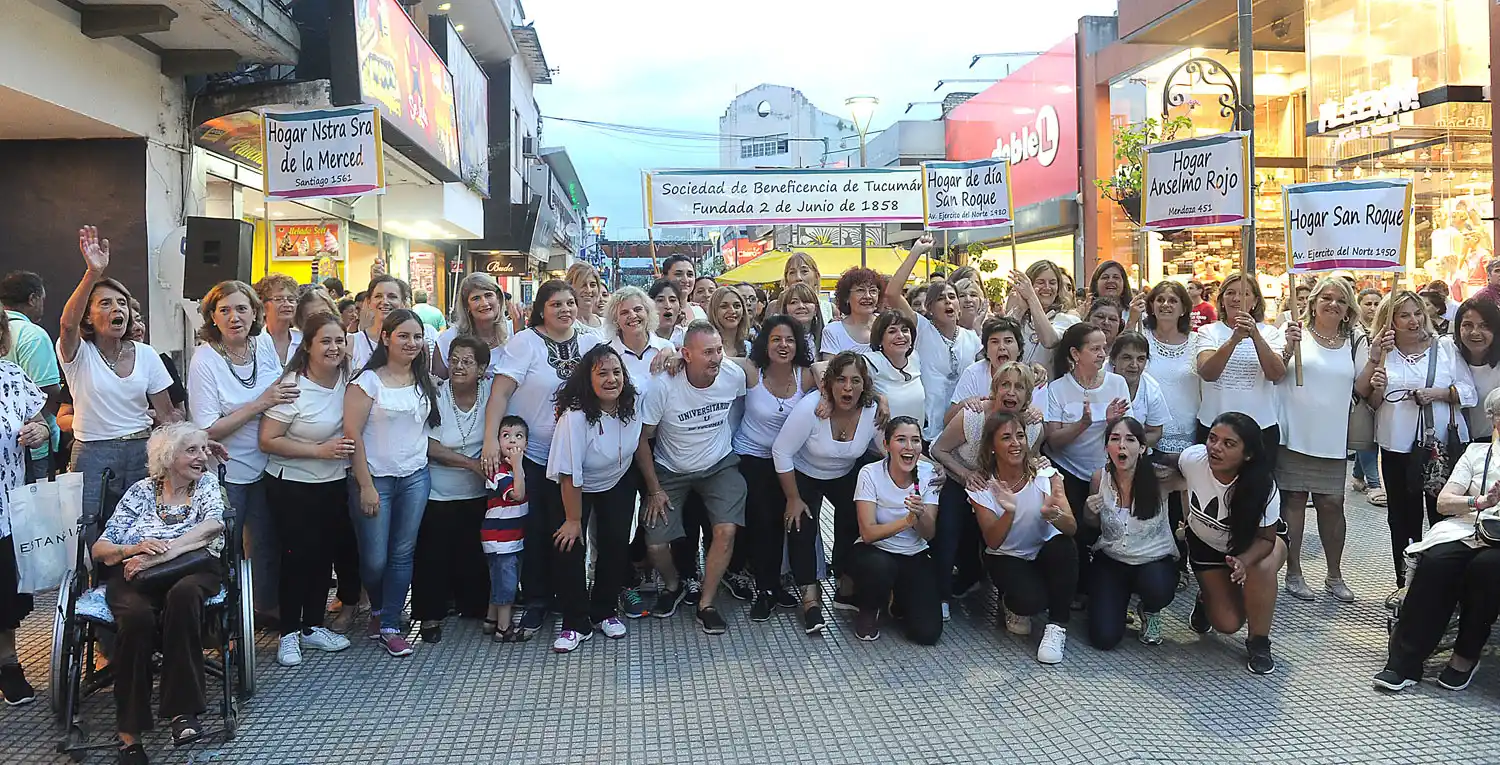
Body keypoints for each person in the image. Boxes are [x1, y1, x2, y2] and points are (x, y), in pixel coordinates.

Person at [90, 423, 226, 761]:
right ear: (168, 457)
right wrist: (134, 550)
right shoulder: (139, 491)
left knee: (183, 598)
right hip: (134, 572)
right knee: (135, 620)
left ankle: (182, 713)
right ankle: (129, 732)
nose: (201, 457)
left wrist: (163, 555)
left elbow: (211, 527)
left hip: (193, 568)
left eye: (203, 449)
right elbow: (101, 547)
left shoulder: (207, 485)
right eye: (191, 450)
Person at [480, 280, 603, 638]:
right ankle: (536, 602)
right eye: (555, 304)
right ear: (541, 309)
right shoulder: (525, 343)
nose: (565, 309)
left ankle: (571, 603)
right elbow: (500, 394)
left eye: (570, 302)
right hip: (531, 456)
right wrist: (491, 440)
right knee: (533, 531)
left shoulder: (592, 341)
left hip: (575, 458)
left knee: (570, 530)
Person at [1374, 387, 1500, 693]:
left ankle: (1464, 657)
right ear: (1494, 420)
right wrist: (1478, 503)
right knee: (1437, 562)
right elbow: (1444, 502)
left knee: (1486, 568)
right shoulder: (1476, 453)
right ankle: (1404, 662)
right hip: (1467, 528)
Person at [59, 227, 180, 527]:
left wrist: (189, 444)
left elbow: (166, 414)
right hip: (93, 453)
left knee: (142, 529)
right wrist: (92, 273)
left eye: (122, 303)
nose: (117, 309)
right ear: (88, 316)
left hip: (141, 451)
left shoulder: (147, 354)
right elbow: (66, 325)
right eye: (106, 303)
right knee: (91, 531)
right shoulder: (79, 353)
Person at [188, 280, 292, 628]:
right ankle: (223, 621)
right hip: (225, 468)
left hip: (269, 461)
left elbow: (282, 391)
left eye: (242, 308)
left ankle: (265, 609)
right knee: (225, 546)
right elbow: (207, 429)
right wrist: (260, 404)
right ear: (212, 317)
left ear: (255, 313)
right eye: (225, 310)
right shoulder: (204, 359)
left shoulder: (261, 344)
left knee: (267, 542)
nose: (235, 317)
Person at [1356, 289, 1477, 587]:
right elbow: (1370, 403)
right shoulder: (1383, 353)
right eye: (1404, 315)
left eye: (1417, 313)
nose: (1413, 321)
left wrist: (1435, 394)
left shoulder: (1445, 347)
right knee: (1402, 519)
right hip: (1398, 447)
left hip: (1442, 448)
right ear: (1390, 321)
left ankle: (1444, 585)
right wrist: (1379, 387)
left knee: (1444, 517)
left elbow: (1470, 393)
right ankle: (1406, 584)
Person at [635, 322, 748, 635]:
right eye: (707, 352)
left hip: (719, 464)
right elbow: (642, 439)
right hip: (671, 469)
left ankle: (707, 603)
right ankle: (675, 585)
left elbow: (738, 407)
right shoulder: (664, 385)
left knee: (726, 530)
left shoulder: (732, 376)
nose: (715, 358)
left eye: (718, 350)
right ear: (686, 354)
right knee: (656, 545)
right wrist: (654, 489)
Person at [257, 313, 356, 666]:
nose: (334, 348)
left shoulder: (349, 379)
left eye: (339, 341)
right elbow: (268, 440)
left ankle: (313, 627)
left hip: (331, 483)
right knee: (296, 558)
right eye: (325, 341)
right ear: (308, 347)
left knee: (323, 556)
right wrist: (319, 451)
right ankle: (288, 633)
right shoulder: (293, 386)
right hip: (291, 484)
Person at [345, 309, 440, 657]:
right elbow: (352, 434)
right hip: (375, 479)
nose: (411, 343)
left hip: (416, 476)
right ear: (385, 338)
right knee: (374, 558)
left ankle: (389, 623)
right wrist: (366, 484)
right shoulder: (367, 381)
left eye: (417, 337)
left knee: (402, 554)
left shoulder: (424, 379)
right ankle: (378, 608)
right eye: (403, 335)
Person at [772, 351, 881, 635]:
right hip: (804, 472)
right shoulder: (811, 408)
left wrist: (928, 468)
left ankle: (846, 584)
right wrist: (793, 499)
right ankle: (810, 599)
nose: (848, 388)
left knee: (854, 520)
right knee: (800, 526)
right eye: (841, 380)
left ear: (865, 384)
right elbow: (781, 451)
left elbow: (888, 448)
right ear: (828, 383)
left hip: (844, 474)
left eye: (856, 381)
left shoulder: (872, 410)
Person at [545, 345, 644, 652]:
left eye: (617, 372)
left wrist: (653, 489)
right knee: (569, 545)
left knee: (615, 543)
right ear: (588, 380)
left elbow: (639, 444)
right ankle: (575, 622)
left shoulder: (633, 403)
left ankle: (604, 611)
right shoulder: (574, 417)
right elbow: (568, 474)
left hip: (617, 480)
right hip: (574, 486)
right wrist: (573, 520)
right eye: (602, 373)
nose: (611, 379)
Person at [1173, 412, 1288, 675]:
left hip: (1255, 546)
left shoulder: (1264, 485)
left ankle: (1259, 641)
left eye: (1228, 443)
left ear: (1247, 454)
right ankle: (1207, 597)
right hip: (1205, 545)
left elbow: (1266, 539)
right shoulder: (1193, 458)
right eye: (1213, 438)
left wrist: (1243, 561)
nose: (1216, 447)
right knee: (1227, 623)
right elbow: (1169, 471)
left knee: (1261, 568)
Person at [931, 362, 1042, 621]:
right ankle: (941, 595)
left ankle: (1010, 596)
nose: (1011, 392)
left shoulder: (1034, 426)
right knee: (948, 531)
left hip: (998, 488)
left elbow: (1028, 462)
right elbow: (938, 450)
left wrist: (1039, 463)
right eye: (1005, 385)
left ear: (1028, 396)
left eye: (1019, 387)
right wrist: (966, 474)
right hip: (959, 479)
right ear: (994, 389)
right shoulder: (973, 416)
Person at [968, 411, 1078, 664]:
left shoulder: (1047, 476)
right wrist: (1010, 511)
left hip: (1043, 553)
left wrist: (1054, 515)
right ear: (992, 447)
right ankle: (1012, 603)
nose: (1016, 443)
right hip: (1006, 556)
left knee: (1064, 545)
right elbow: (993, 541)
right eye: (1006, 437)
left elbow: (1071, 527)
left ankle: (1057, 627)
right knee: (1030, 601)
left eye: (1020, 436)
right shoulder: (982, 486)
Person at [1275, 277, 1359, 603]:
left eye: (1340, 300)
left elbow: (1363, 385)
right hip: (1294, 431)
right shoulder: (1293, 330)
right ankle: (1294, 573)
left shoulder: (1354, 340)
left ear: (1347, 309)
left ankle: (1334, 574)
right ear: (1312, 302)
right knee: (1294, 501)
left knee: (1332, 504)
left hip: (1332, 436)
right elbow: (1273, 373)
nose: (1333, 304)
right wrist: (1284, 347)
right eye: (1326, 297)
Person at [734, 315, 818, 620]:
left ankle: (782, 584)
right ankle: (766, 589)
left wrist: (879, 399)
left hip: (791, 462)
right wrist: (672, 357)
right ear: (764, 343)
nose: (783, 345)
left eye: (790, 340)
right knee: (764, 523)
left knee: (792, 523)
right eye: (776, 339)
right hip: (752, 458)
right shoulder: (750, 369)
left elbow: (839, 376)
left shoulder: (807, 375)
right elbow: (714, 359)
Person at [411, 336, 492, 645]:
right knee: (432, 554)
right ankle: (429, 616)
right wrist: (470, 464)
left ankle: (473, 605)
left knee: (474, 552)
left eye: (467, 361)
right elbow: (428, 444)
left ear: (482, 368)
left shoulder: (490, 395)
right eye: (454, 360)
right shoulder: (436, 394)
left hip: (479, 492)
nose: (458, 366)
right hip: (438, 490)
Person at [1043, 322, 1132, 591]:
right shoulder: (1057, 389)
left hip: (1106, 470)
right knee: (1074, 531)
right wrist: (1083, 423)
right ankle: (1074, 589)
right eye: (1094, 349)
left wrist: (1112, 424)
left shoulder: (1117, 383)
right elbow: (1053, 441)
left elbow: (1127, 434)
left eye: (1104, 348)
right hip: (1067, 469)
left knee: (1106, 528)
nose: (1102, 354)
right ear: (1075, 353)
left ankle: (1105, 588)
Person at [1081, 417, 1177, 649]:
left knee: (1157, 588)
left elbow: (1197, 474)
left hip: (1154, 561)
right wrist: (1088, 510)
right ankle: (1115, 604)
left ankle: (1150, 609)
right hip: (1112, 560)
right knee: (1103, 639)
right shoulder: (1098, 478)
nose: (1121, 445)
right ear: (1107, 448)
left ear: (1142, 448)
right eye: (1115, 439)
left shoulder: (1160, 478)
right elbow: (1091, 524)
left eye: (1130, 439)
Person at [848, 416, 942, 644]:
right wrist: (906, 522)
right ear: (887, 445)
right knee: (878, 566)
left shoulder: (929, 474)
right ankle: (869, 609)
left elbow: (929, 534)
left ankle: (898, 599)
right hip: (876, 552)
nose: (909, 447)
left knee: (927, 634)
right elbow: (868, 533)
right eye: (901, 440)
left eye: (916, 441)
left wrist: (920, 516)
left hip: (913, 554)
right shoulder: (869, 473)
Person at [886, 235, 981, 443]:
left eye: (952, 296)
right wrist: (916, 252)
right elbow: (892, 293)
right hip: (927, 431)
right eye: (939, 298)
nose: (947, 301)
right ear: (929, 308)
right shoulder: (921, 329)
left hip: (964, 431)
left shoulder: (973, 339)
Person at [0, 317, 48, 705]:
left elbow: (39, 422)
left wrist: (39, 432)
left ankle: (9, 663)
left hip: (6, 507)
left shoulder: (11, 374)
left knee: (4, 593)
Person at [1195, 273, 1287, 468]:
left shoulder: (1270, 333)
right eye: (1230, 293)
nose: (1237, 299)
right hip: (1214, 427)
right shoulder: (1208, 332)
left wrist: (1255, 336)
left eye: (1245, 293)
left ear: (1255, 301)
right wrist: (1234, 339)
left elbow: (1276, 374)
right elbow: (1207, 373)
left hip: (1260, 428)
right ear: (1221, 300)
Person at [2, 270, 62, 481]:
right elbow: (47, 392)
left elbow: (35, 400)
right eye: (42, 300)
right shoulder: (32, 334)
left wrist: (40, 429)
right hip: (31, 454)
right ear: (33, 298)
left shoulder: (12, 372)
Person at [483, 417, 529, 642]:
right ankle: (504, 628)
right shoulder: (498, 471)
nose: (512, 441)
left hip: (513, 537)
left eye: (519, 436)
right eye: (506, 435)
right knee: (508, 584)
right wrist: (518, 465)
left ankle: (490, 621)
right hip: (501, 540)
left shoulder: (513, 468)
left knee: (500, 579)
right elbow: (517, 495)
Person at [947, 316, 1026, 425]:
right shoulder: (973, 373)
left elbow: (1044, 427)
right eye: (995, 342)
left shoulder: (1032, 376)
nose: (1002, 347)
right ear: (986, 351)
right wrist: (964, 405)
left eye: (1008, 341)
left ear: (1019, 349)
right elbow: (947, 420)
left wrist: (1035, 413)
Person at [435, 273, 512, 379]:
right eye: (476, 298)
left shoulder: (515, 332)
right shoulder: (448, 339)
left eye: (488, 295)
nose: (484, 303)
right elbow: (438, 386)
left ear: (498, 298)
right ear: (467, 306)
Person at [1108, 332, 1170, 449]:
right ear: (1113, 359)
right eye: (1127, 358)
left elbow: (1155, 432)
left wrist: (1132, 447)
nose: (1134, 365)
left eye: (1141, 359)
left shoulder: (1151, 388)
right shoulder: (1098, 379)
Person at [862, 311, 924, 426]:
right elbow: (821, 367)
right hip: (883, 441)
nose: (900, 335)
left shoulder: (915, 357)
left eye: (905, 330)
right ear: (880, 339)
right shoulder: (870, 361)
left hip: (915, 439)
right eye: (892, 331)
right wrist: (878, 397)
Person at [1454, 298, 1500, 444]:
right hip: (1454, 444)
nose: (1475, 332)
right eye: (1467, 325)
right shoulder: (1446, 358)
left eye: (1484, 326)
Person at [821, 267, 882, 358]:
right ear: (846, 297)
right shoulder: (833, 331)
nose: (868, 296)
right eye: (860, 290)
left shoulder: (886, 324)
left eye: (873, 291)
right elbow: (828, 369)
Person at [254, 274, 303, 364]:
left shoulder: (303, 340)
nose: (287, 304)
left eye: (291, 299)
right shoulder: (255, 342)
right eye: (279, 299)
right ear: (263, 306)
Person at [776, 283, 827, 357]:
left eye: (806, 301)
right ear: (785, 310)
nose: (801, 306)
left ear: (816, 309)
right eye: (793, 302)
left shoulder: (827, 339)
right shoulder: (776, 342)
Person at [782, 251, 833, 322]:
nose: (798, 277)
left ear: (816, 276)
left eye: (804, 271)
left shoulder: (829, 309)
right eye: (792, 272)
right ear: (786, 279)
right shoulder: (774, 306)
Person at [662, 255, 709, 323]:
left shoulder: (699, 311)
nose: (685, 280)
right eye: (678, 274)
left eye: (690, 275)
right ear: (664, 277)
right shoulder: (655, 312)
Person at [707, 285, 751, 357]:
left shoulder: (749, 348)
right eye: (724, 306)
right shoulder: (707, 346)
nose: (732, 311)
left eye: (737, 306)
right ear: (714, 311)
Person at [566, 262, 606, 338]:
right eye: (583, 285)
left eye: (593, 285)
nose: (588, 290)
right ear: (570, 288)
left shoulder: (607, 324)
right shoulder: (566, 325)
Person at [1088, 261, 1134, 326]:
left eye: (1116, 277)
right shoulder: (1085, 311)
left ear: (1124, 283)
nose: (1110, 281)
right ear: (1096, 283)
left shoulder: (1134, 313)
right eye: (1105, 277)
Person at [648, 279, 686, 347]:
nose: (668, 306)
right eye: (660, 300)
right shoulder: (645, 337)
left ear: (680, 308)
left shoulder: (687, 335)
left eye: (672, 300)